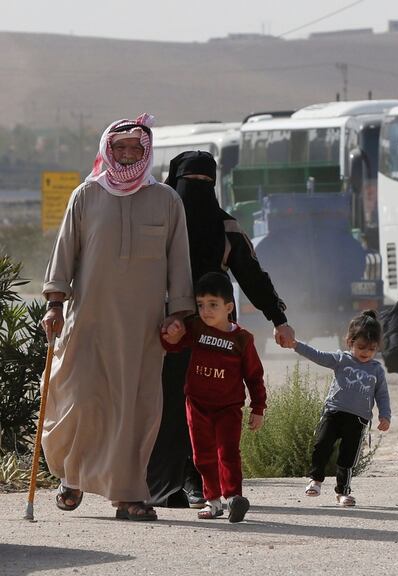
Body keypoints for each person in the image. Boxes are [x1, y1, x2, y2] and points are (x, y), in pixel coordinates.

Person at [40, 114, 193, 521]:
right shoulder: (85, 196)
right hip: (87, 322)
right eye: (120, 147)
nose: (127, 155)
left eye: (135, 149)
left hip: (142, 329)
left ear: (147, 152)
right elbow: (64, 255)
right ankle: (72, 477)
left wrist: (178, 314)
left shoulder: (166, 200)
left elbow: (179, 262)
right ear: (108, 149)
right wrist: (55, 303)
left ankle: (128, 494)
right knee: (81, 401)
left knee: (135, 408)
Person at [147, 150, 294, 510]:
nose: (194, 192)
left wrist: (278, 318)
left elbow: (253, 276)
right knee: (163, 409)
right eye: (187, 184)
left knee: (204, 408)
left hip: (207, 337)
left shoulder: (226, 229)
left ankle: (199, 483)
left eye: (203, 184)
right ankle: (164, 484)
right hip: (159, 334)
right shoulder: (154, 223)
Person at [160, 272, 266, 523]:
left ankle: (234, 499)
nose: (206, 311)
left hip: (228, 408)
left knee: (228, 452)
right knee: (202, 455)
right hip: (197, 406)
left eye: (213, 305)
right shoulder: (196, 328)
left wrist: (258, 407)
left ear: (229, 307)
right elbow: (172, 346)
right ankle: (213, 501)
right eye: (201, 305)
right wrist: (171, 336)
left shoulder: (242, 339)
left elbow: (254, 376)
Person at [286, 311, 392, 505]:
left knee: (348, 458)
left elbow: (382, 395)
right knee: (322, 445)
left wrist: (385, 415)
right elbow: (317, 355)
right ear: (350, 341)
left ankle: (343, 492)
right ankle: (315, 480)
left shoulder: (376, 370)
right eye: (361, 346)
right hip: (333, 413)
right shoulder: (341, 360)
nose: (366, 352)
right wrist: (296, 345)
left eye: (372, 348)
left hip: (358, 420)